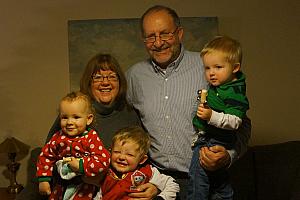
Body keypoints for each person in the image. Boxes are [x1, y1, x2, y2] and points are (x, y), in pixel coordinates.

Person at [126, 5, 251, 199]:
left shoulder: (207, 68)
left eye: (165, 34)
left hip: (205, 181)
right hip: (158, 185)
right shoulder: (134, 76)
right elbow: (125, 125)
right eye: (151, 36)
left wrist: (228, 156)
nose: (158, 43)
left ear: (180, 33)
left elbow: (242, 123)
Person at [17, 54, 158, 200]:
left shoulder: (130, 114)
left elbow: (143, 158)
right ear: (89, 83)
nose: (105, 82)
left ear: (120, 82)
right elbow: (49, 156)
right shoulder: (74, 115)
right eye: (97, 77)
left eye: (112, 77)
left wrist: (154, 185)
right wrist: (79, 175)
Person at [188, 36, 249, 199]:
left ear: (235, 68)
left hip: (215, 141)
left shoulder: (234, 92)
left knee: (197, 177)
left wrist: (210, 116)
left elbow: (236, 122)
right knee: (218, 181)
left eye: (218, 67)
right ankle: (225, 196)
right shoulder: (219, 87)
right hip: (209, 137)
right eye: (207, 68)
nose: (211, 73)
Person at [36, 91, 110, 199]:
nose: (69, 122)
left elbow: (103, 159)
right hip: (61, 186)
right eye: (65, 117)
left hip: (85, 187)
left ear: (88, 119)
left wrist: (81, 165)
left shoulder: (91, 137)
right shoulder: (57, 137)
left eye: (76, 117)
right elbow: (45, 156)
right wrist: (43, 180)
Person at [96, 125, 179, 200]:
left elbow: (173, 185)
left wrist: (160, 198)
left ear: (142, 159)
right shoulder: (103, 170)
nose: (121, 157)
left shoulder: (148, 171)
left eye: (129, 154)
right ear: (110, 152)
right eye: (117, 152)